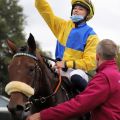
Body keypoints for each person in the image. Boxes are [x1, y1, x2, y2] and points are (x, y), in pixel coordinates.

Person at [26, 39, 120, 120]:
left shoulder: (103, 78)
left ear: (97, 56)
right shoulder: (117, 75)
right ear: (114, 57)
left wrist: (42, 115)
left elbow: (80, 105)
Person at [35, 0, 99, 92]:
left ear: (87, 15)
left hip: (77, 71)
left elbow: (90, 62)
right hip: (58, 68)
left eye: (80, 9)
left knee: (75, 77)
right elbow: (47, 13)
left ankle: (92, 99)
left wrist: (66, 64)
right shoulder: (63, 26)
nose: (76, 10)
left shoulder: (91, 36)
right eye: (75, 8)